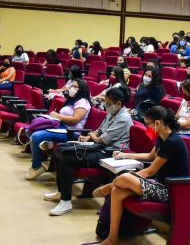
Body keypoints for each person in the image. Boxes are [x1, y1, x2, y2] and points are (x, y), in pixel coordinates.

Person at [89, 106, 190, 245]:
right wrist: (126, 155)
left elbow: (150, 171)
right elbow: (150, 156)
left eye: (148, 124)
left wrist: (127, 179)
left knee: (124, 178)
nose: (146, 127)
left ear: (158, 123)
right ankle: (112, 239)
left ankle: (108, 187)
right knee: (118, 191)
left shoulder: (172, 142)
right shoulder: (163, 138)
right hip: (158, 184)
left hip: (170, 191)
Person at [46, 86, 132, 216]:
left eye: (108, 104)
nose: (106, 106)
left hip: (111, 153)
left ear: (118, 103)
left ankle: (66, 201)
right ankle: (61, 191)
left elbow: (103, 140)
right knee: (60, 151)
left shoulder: (123, 118)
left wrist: (93, 137)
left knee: (67, 159)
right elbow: (100, 130)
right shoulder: (112, 113)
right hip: (100, 148)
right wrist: (88, 136)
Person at [25, 79, 92, 180]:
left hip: (71, 133)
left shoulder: (83, 102)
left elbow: (75, 120)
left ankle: (36, 166)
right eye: (71, 86)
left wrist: (58, 116)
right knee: (29, 130)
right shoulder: (71, 100)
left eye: (75, 87)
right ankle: (47, 146)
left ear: (81, 89)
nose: (71, 88)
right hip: (60, 127)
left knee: (36, 136)